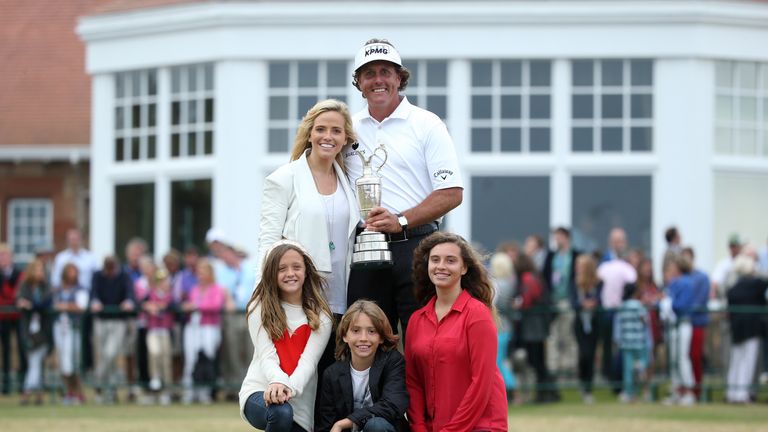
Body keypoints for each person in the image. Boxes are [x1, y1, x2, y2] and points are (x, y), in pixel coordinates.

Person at [345, 38, 463, 341]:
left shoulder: (427, 124)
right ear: (358, 82)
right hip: (364, 248)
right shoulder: (347, 128)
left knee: (424, 343)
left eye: (386, 71)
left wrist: (401, 220)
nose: (378, 80)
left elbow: (451, 192)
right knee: (367, 343)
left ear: (400, 77)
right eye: (369, 73)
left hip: (417, 246)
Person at [258, 99, 360, 383]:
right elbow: (268, 240)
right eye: (321, 129)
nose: (328, 136)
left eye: (336, 131)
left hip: (340, 295)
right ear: (309, 133)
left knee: (331, 379)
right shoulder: (284, 178)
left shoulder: (349, 181)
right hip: (300, 298)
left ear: (345, 138)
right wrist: (262, 299)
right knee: (302, 379)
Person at [405, 232, 507, 432]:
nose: (441, 266)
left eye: (450, 260)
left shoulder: (477, 315)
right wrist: (419, 428)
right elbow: (413, 381)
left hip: (481, 424)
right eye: (435, 260)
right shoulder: (416, 320)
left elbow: (482, 383)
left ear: (464, 268)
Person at [239, 241, 333, 432]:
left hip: (299, 399)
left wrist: (286, 388)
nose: (290, 273)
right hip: (260, 389)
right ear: (272, 273)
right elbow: (267, 356)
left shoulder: (321, 315)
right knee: (281, 412)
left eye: (296, 267)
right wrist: (277, 382)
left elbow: (308, 363)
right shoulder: (258, 308)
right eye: (282, 269)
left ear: (306, 271)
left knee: (285, 410)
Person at [316, 300, 408, 432]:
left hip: (383, 429)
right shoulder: (332, 374)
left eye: (371, 331)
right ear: (344, 335)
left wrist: (345, 423)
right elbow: (326, 424)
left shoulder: (393, 362)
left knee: (376, 425)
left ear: (381, 337)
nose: (363, 338)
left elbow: (393, 405)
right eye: (356, 331)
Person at [181, 258, 227, 404]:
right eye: (199, 272)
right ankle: (189, 392)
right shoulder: (194, 289)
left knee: (207, 358)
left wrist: (196, 306)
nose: (200, 275)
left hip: (209, 327)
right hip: (193, 327)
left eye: (203, 272)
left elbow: (216, 305)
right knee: (191, 359)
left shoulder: (217, 289)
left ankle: (205, 392)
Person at [90, 255, 135, 404]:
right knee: (104, 355)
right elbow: (94, 293)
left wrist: (128, 302)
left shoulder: (124, 275)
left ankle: (98, 383)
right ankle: (110, 389)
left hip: (118, 320)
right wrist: (95, 302)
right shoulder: (97, 276)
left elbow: (130, 293)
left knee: (111, 353)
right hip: (101, 320)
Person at [725, 254, 767, 404]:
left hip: (737, 329)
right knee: (747, 362)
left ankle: (732, 392)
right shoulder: (756, 284)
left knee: (736, 361)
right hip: (752, 328)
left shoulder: (733, 288)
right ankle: (742, 394)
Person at [542, 227, 580, 378]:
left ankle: (569, 367)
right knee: (554, 335)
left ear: (567, 237)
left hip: (568, 301)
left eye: (559, 237)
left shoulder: (575, 255)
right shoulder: (551, 256)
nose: (557, 240)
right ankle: (554, 367)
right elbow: (545, 276)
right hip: (553, 302)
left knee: (568, 335)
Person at [16, 259, 53, 405]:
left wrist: (29, 305)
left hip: (43, 330)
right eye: (38, 270)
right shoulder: (24, 286)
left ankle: (27, 393)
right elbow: (19, 300)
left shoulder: (46, 287)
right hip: (28, 329)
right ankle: (37, 393)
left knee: (36, 361)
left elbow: (44, 303)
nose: (41, 273)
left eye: (42, 270)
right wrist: (23, 303)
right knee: (34, 362)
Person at [662, 255, 697, 406]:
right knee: (674, 359)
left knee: (682, 357)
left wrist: (668, 304)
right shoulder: (673, 283)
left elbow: (680, 304)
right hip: (672, 324)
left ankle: (689, 391)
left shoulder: (686, 283)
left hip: (682, 323)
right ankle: (677, 391)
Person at [52, 263, 89, 405]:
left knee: (72, 362)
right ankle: (69, 392)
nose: (72, 275)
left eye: (74, 271)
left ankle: (79, 392)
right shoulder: (58, 289)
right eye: (69, 271)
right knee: (62, 361)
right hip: (59, 327)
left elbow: (81, 307)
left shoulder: (80, 289)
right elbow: (54, 305)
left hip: (73, 328)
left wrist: (65, 306)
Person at [489, 252, 518, 404]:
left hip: (498, 326)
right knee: (503, 360)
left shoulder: (497, 284)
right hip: (506, 326)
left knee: (498, 362)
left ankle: (511, 390)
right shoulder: (510, 282)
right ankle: (512, 391)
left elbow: (492, 304)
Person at [572, 254, 601, 404]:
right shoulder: (575, 283)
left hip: (594, 323)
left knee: (591, 355)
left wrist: (594, 303)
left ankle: (588, 388)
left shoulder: (598, 283)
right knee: (584, 354)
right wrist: (582, 304)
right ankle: (582, 382)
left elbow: (601, 299)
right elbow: (573, 302)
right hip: (580, 323)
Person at [144, 268, 175, 405]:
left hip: (165, 330)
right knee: (154, 353)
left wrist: (163, 306)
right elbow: (142, 303)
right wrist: (149, 306)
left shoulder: (170, 296)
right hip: (154, 329)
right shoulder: (150, 294)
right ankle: (155, 380)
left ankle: (166, 390)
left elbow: (173, 305)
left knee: (165, 359)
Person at [614, 283, 650, 403]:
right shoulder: (638, 305)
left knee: (627, 369)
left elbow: (618, 326)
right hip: (639, 341)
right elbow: (645, 320)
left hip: (626, 342)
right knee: (643, 364)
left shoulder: (622, 307)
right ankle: (645, 391)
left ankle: (629, 393)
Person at [0, 243, 25, 395]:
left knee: (21, 349)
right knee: (5, 350)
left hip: (16, 316)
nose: (3, 259)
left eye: (5, 256)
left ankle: (22, 383)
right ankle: (6, 384)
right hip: (3, 316)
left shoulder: (18, 273)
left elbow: (17, 293)